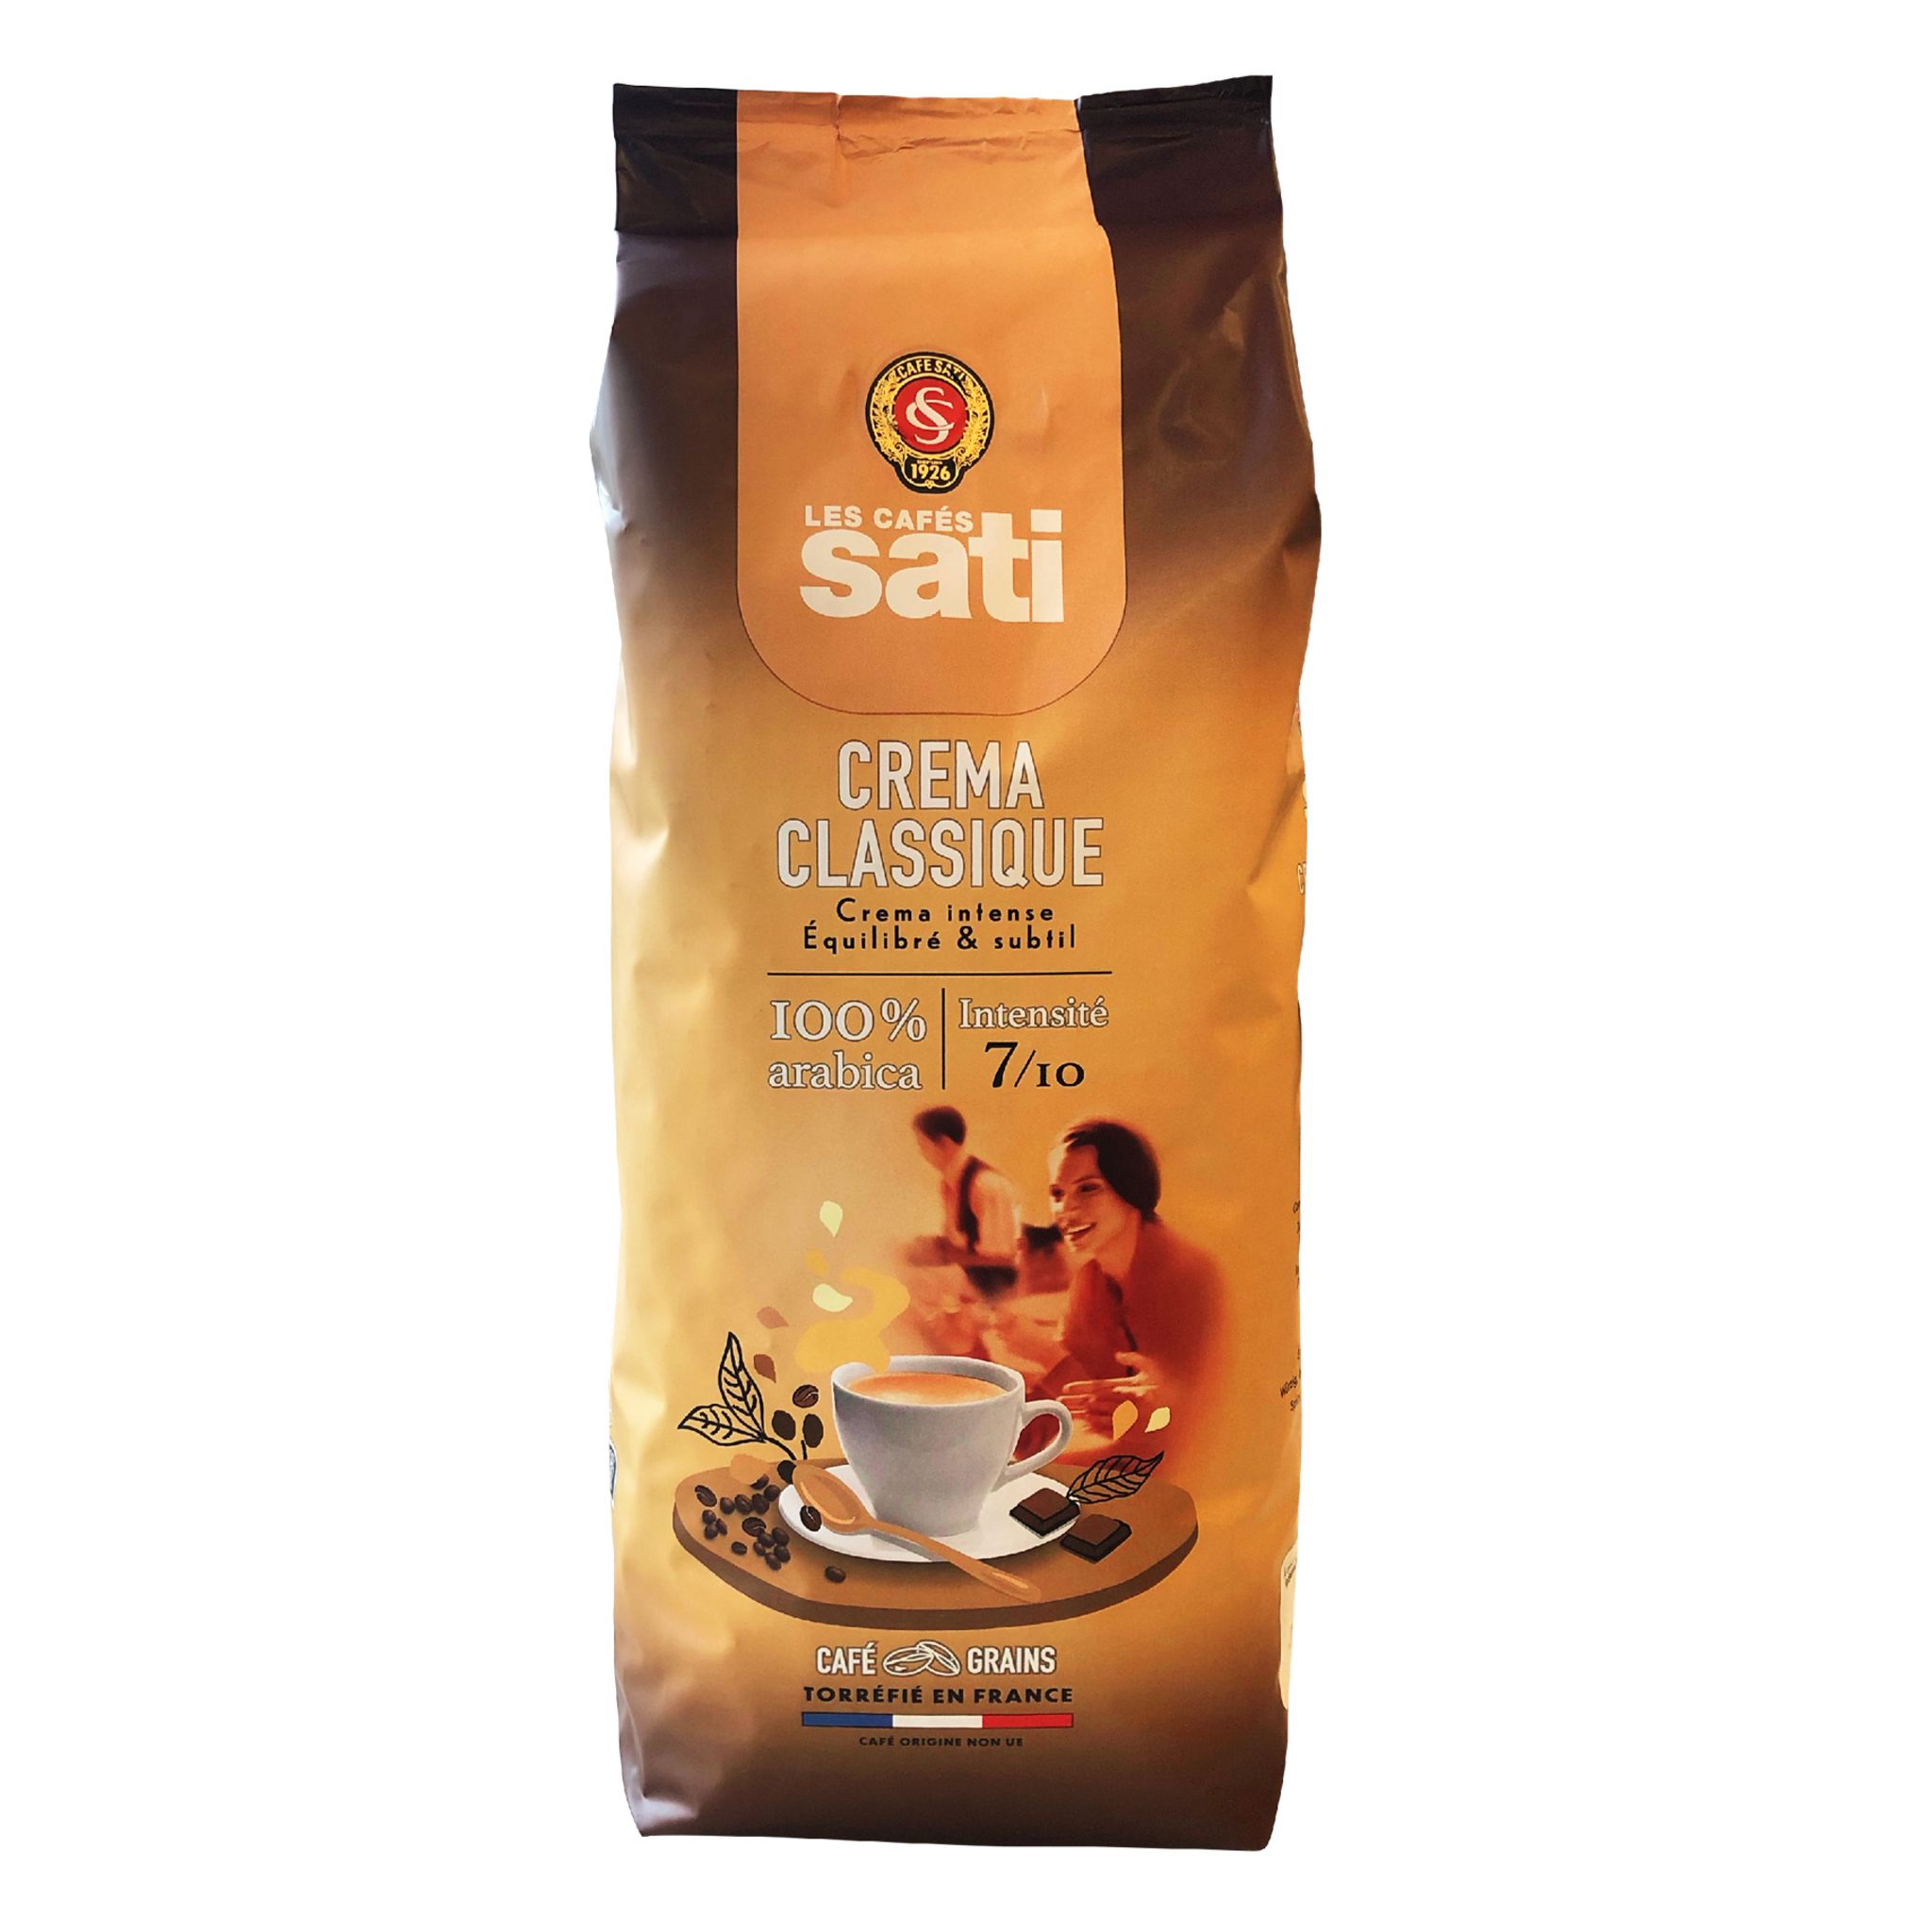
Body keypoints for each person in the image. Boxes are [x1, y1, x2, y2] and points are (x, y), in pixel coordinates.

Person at [1041, 1119, 1223, 1469]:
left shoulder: (1189, 1277)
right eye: (1057, 1194)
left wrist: (1165, 1405)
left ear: (1130, 1187)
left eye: (1088, 1189)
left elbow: (1204, 1423)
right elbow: (1065, 1395)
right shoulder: (1091, 1282)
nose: (1065, 1210)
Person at [908, 1106, 1022, 1293]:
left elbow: (1002, 1259)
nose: (921, 1153)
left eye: (923, 1145)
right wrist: (927, 1247)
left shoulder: (986, 1185)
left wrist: (940, 1255)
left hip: (995, 1291)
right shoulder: (949, 1183)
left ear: (944, 1143)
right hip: (970, 1284)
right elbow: (961, 1244)